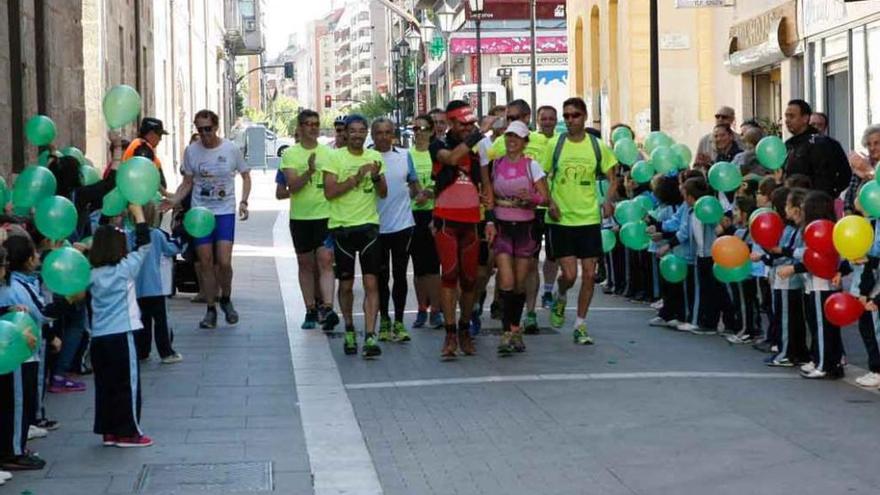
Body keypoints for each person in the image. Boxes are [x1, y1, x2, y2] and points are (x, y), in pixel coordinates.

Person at [165, 109, 251, 329]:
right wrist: (174, 201)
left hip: (224, 212)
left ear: (216, 127)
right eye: (200, 129)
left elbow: (245, 175)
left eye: (208, 129)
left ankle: (227, 299)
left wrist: (243, 201)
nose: (204, 134)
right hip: (200, 214)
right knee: (205, 262)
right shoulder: (192, 152)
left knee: (224, 261)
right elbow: (187, 182)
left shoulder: (230, 149)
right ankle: (210, 309)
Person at [544, 97, 619, 345]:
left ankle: (580, 324)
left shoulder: (597, 146)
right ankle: (560, 293)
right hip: (562, 219)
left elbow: (613, 177)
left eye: (574, 115)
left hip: (588, 218)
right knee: (569, 274)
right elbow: (540, 176)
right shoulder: (555, 144)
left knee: (589, 274)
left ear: (585, 117)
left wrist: (608, 200)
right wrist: (549, 202)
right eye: (565, 116)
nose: (569, 120)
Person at [89, 204, 155, 447]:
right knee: (128, 385)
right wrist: (138, 215)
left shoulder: (90, 274)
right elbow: (145, 244)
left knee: (104, 385)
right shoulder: (125, 269)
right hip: (122, 334)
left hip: (98, 338)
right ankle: (129, 432)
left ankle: (108, 431)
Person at [323, 115, 388, 358]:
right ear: (345, 133)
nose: (358, 135)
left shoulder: (375, 157)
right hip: (342, 228)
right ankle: (349, 328)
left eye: (362, 131)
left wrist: (374, 177)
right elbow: (330, 192)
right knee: (347, 285)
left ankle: (370, 335)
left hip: (369, 227)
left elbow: (383, 193)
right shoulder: (334, 157)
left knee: (372, 283)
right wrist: (356, 177)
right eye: (353, 131)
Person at [430, 100, 487, 359]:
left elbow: (487, 185)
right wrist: (480, 133)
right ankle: (450, 333)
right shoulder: (439, 144)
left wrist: (493, 217)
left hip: (472, 221)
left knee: (471, 279)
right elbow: (451, 159)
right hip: (446, 221)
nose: (469, 128)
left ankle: (465, 328)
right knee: (449, 276)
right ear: (452, 123)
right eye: (463, 124)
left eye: (472, 124)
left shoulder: (479, 148)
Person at [489, 99, 551, 334]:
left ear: (525, 141)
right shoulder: (496, 165)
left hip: (526, 228)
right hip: (503, 226)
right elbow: (488, 193)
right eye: (508, 137)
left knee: (519, 282)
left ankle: (515, 327)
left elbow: (544, 198)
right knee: (505, 281)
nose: (511, 141)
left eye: (516, 137)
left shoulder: (531, 165)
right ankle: (507, 332)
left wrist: (531, 198)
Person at [279, 110, 339, 331]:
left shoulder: (329, 153)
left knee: (325, 260)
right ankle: (310, 309)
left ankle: (328, 308)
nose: (313, 128)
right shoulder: (290, 154)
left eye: (316, 124)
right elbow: (291, 187)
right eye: (308, 124)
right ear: (300, 127)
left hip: (325, 216)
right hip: (301, 218)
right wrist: (310, 171)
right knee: (305, 264)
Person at [776, 189, 844, 379]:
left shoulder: (820, 230)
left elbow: (811, 257)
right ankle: (820, 358)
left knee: (822, 326)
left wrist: (793, 268)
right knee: (816, 324)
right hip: (814, 284)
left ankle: (824, 364)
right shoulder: (821, 228)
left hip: (821, 285)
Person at [371, 118, 419, 343]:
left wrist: (413, 197)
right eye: (379, 132)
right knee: (381, 277)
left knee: (400, 275)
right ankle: (384, 321)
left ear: (393, 135)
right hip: (376, 228)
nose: (383, 136)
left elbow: (414, 185)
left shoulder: (404, 156)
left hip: (402, 226)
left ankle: (399, 321)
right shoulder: (367, 158)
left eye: (387, 132)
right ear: (372, 135)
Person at [132, 203, 184, 364]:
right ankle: (166, 352)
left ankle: (142, 350)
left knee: (143, 320)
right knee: (160, 321)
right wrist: (182, 236)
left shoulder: (129, 235)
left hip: (137, 289)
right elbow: (172, 249)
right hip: (154, 287)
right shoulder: (156, 234)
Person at [409, 115, 443, 329]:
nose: (419, 132)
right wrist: (415, 193)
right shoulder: (407, 155)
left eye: (424, 128)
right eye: (416, 128)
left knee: (433, 267)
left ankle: (436, 311)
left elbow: (445, 183)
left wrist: (429, 192)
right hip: (411, 215)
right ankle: (422, 308)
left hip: (433, 214)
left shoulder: (437, 154)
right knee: (418, 267)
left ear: (432, 131)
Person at [782, 99, 851, 198]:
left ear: (805, 118)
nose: (787, 120)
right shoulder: (789, 145)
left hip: (816, 204)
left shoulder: (824, 144)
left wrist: (828, 194)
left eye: (792, 116)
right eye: (786, 116)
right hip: (792, 202)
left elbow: (844, 175)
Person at [123, 117, 170, 197]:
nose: (160, 139)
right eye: (159, 135)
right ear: (151, 134)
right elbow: (147, 176)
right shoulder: (142, 148)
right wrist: (166, 194)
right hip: (141, 198)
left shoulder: (140, 145)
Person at [843, 124, 880, 214]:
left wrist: (869, 170)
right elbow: (850, 196)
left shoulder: (865, 165)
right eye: (868, 144)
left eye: (876, 143)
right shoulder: (862, 164)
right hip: (862, 221)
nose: (872, 148)